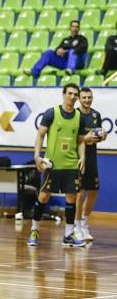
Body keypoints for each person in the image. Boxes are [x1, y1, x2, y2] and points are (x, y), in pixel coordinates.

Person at [27, 83, 93, 247]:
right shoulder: (52, 113)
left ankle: (69, 234)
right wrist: (37, 156)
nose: (72, 97)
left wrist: (82, 157)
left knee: (71, 197)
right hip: (53, 164)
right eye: (69, 93)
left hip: (71, 164)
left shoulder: (79, 117)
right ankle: (34, 230)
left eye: (75, 94)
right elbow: (40, 135)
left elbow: (80, 141)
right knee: (43, 196)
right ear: (63, 94)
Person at [75, 87, 106, 241]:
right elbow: (71, 138)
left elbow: (97, 135)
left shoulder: (96, 115)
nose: (87, 100)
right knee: (80, 193)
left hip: (92, 157)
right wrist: (84, 139)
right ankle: (76, 226)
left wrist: (102, 136)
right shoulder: (75, 115)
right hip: (78, 157)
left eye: (89, 97)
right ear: (79, 99)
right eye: (84, 97)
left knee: (93, 192)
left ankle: (85, 225)